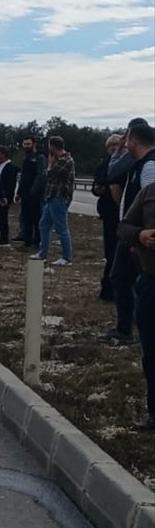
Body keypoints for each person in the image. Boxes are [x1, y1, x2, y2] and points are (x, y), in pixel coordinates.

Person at [101, 122, 155, 345]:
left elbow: (151, 206)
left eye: (127, 139)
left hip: (141, 238)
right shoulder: (138, 163)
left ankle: (130, 328)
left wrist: (139, 237)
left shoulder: (150, 166)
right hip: (133, 234)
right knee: (122, 278)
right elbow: (112, 173)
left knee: (129, 280)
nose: (125, 143)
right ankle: (128, 326)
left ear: (134, 140)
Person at [117, 181, 155, 430]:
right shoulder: (150, 192)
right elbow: (123, 227)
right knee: (151, 351)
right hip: (151, 284)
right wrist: (139, 235)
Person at [30, 135, 75, 266]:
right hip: (51, 197)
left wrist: (50, 164)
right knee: (43, 225)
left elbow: (49, 174)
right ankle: (42, 253)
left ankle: (67, 258)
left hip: (59, 197)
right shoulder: (59, 159)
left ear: (52, 146)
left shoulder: (65, 160)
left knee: (61, 228)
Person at [94, 133, 126, 301]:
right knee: (111, 251)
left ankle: (112, 288)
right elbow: (96, 186)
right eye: (111, 145)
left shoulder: (127, 162)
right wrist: (100, 189)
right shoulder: (103, 164)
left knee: (118, 252)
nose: (114, 147)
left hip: (120, 212)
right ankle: (108, 289)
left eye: (117, 144)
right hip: (108, 212)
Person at [14, 136, 46, 247]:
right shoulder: (26, 158)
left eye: (28, 144)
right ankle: (27, 239)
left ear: (34, 144)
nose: (26, 146)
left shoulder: (40, 157)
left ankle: (37, 241)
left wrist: (34, 190)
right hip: (25, 193)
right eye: (24, 144)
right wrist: (18, 192)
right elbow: (23, 177)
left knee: (37, 218)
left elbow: (41, 175)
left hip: (35, 194)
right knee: (26, 217)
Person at [0, 146, 19, 247]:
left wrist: (6, 197)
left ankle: (4, 238)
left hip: (4, 196)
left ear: (3, 154)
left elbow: (10, 184)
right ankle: (3, 237)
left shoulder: (9, 167)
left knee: (2, 217)